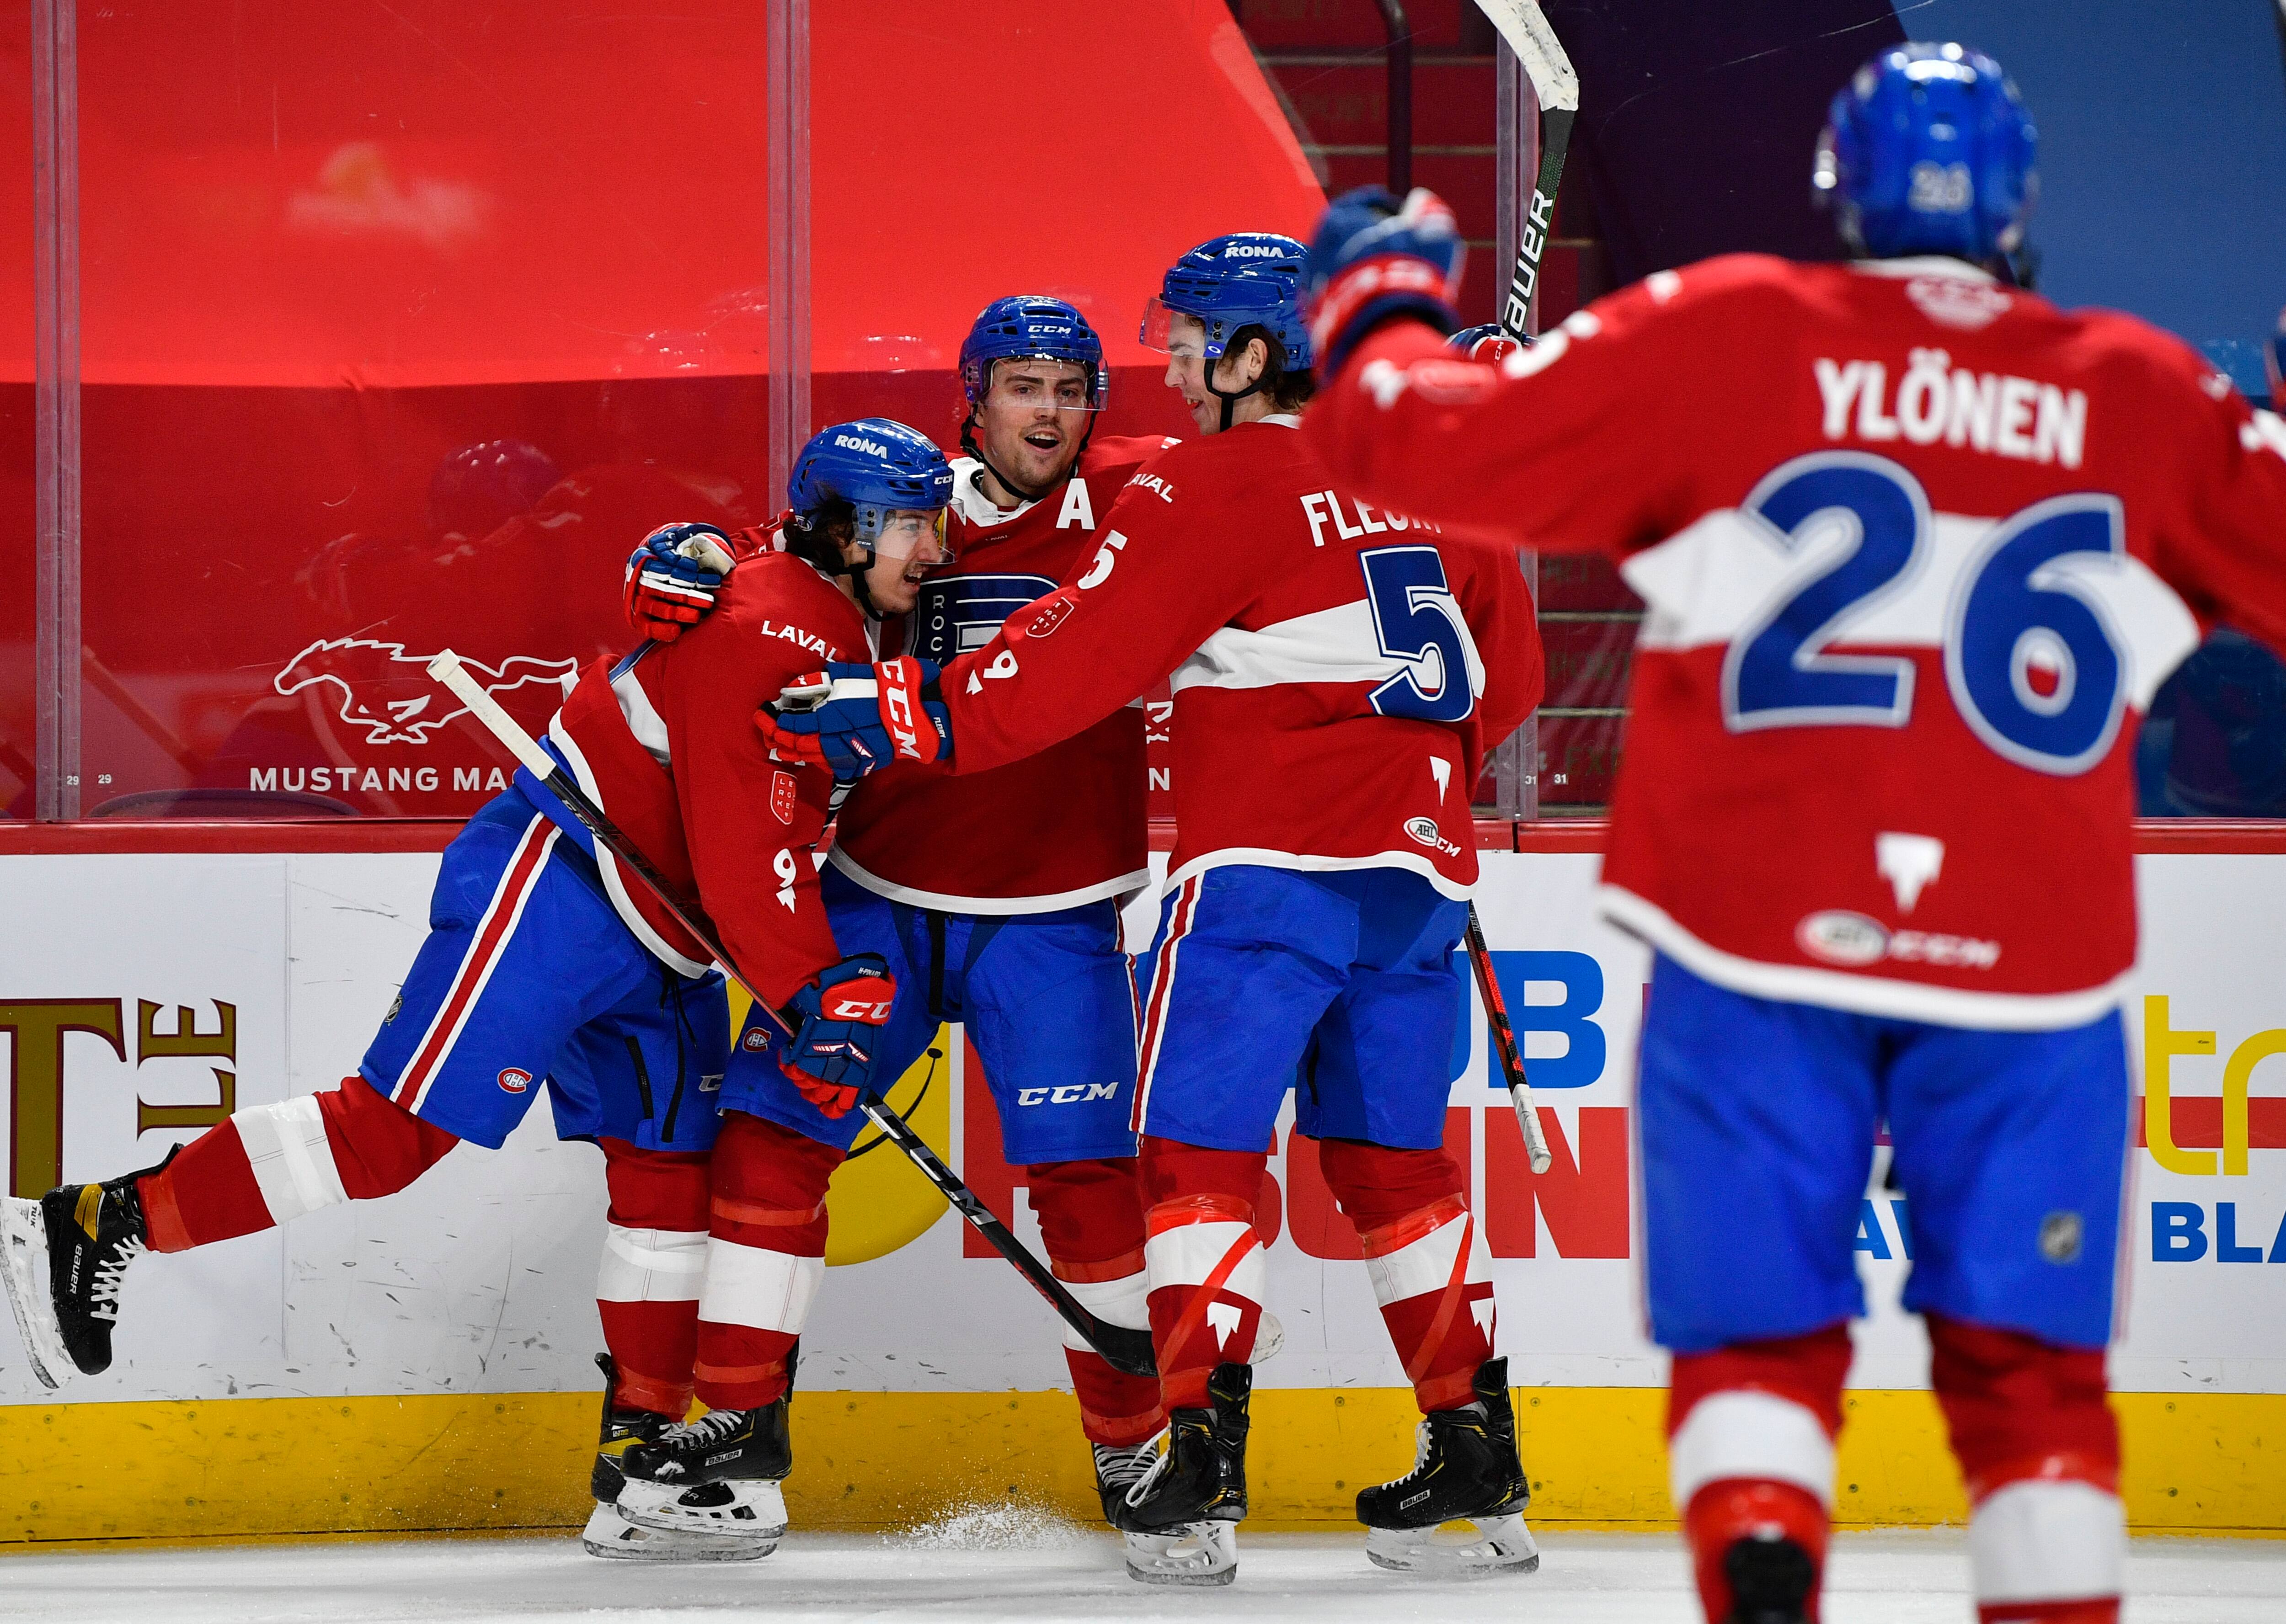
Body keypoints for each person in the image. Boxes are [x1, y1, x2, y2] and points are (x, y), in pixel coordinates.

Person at [1296, 45, 2286, 1624]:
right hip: (2028, 957)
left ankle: (1764, 1579)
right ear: (2022, 205)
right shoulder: (2137, 387)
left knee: (1758, 1342)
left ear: (1843, 190)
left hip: (1756, 929)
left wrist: (1381, 311)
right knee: (2034, 1385)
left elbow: (1407, 445)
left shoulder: (1733, 332)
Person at [0, 419, 953, 1566]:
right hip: (560, 888)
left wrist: (689, 544)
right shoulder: (774, 626)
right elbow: (752, 848)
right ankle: (104, 1220)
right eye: (910, 521)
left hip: (669, 938)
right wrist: (816, 985)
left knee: (669, 1182)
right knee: (396, 1133)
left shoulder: (815, 602)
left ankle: (638, 1469)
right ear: (845, 526)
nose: (932, 546)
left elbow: (749, 649)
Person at [758, 235, 1548, 1585]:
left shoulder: (1211, 486)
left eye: (1189, 348)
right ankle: (1478, 1468)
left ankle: (1195, 1462)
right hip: (1422, 886)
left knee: (1191, 1158)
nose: (1172, 376)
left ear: (1251, 356)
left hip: (1267, 882)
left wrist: (891, 710)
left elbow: (1053, 676)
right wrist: (1403, 789)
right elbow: (1512, 679)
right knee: (1394, 1168)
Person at [624, 296, 1208, 1567]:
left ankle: (1139, 1462)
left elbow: (1293, 464)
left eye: (1069, 386)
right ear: (974, 396)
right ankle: (737, 1456)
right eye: (1021, 386)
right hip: (880, 889)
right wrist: (700, 551)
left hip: (1052, 915)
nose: (1046, 412)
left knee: (1089, 1188)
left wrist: (1446, 400)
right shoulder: (906, 496)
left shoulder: (1147, 494)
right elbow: (793, 542)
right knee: (771, 1144)